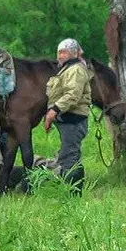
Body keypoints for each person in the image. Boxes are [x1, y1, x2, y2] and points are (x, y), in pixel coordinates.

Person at [44, 38, 93, 193]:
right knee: (70, 154)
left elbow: (73, 95)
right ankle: (72, 189)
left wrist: (53, 111)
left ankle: (73, 192)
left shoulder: (76, 69)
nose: (60, 55)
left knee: (69, 156)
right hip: (68, 120)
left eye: (63, 52)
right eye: (59, 52)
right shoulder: (67, 69)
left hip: (73, 121)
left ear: (73, 53)